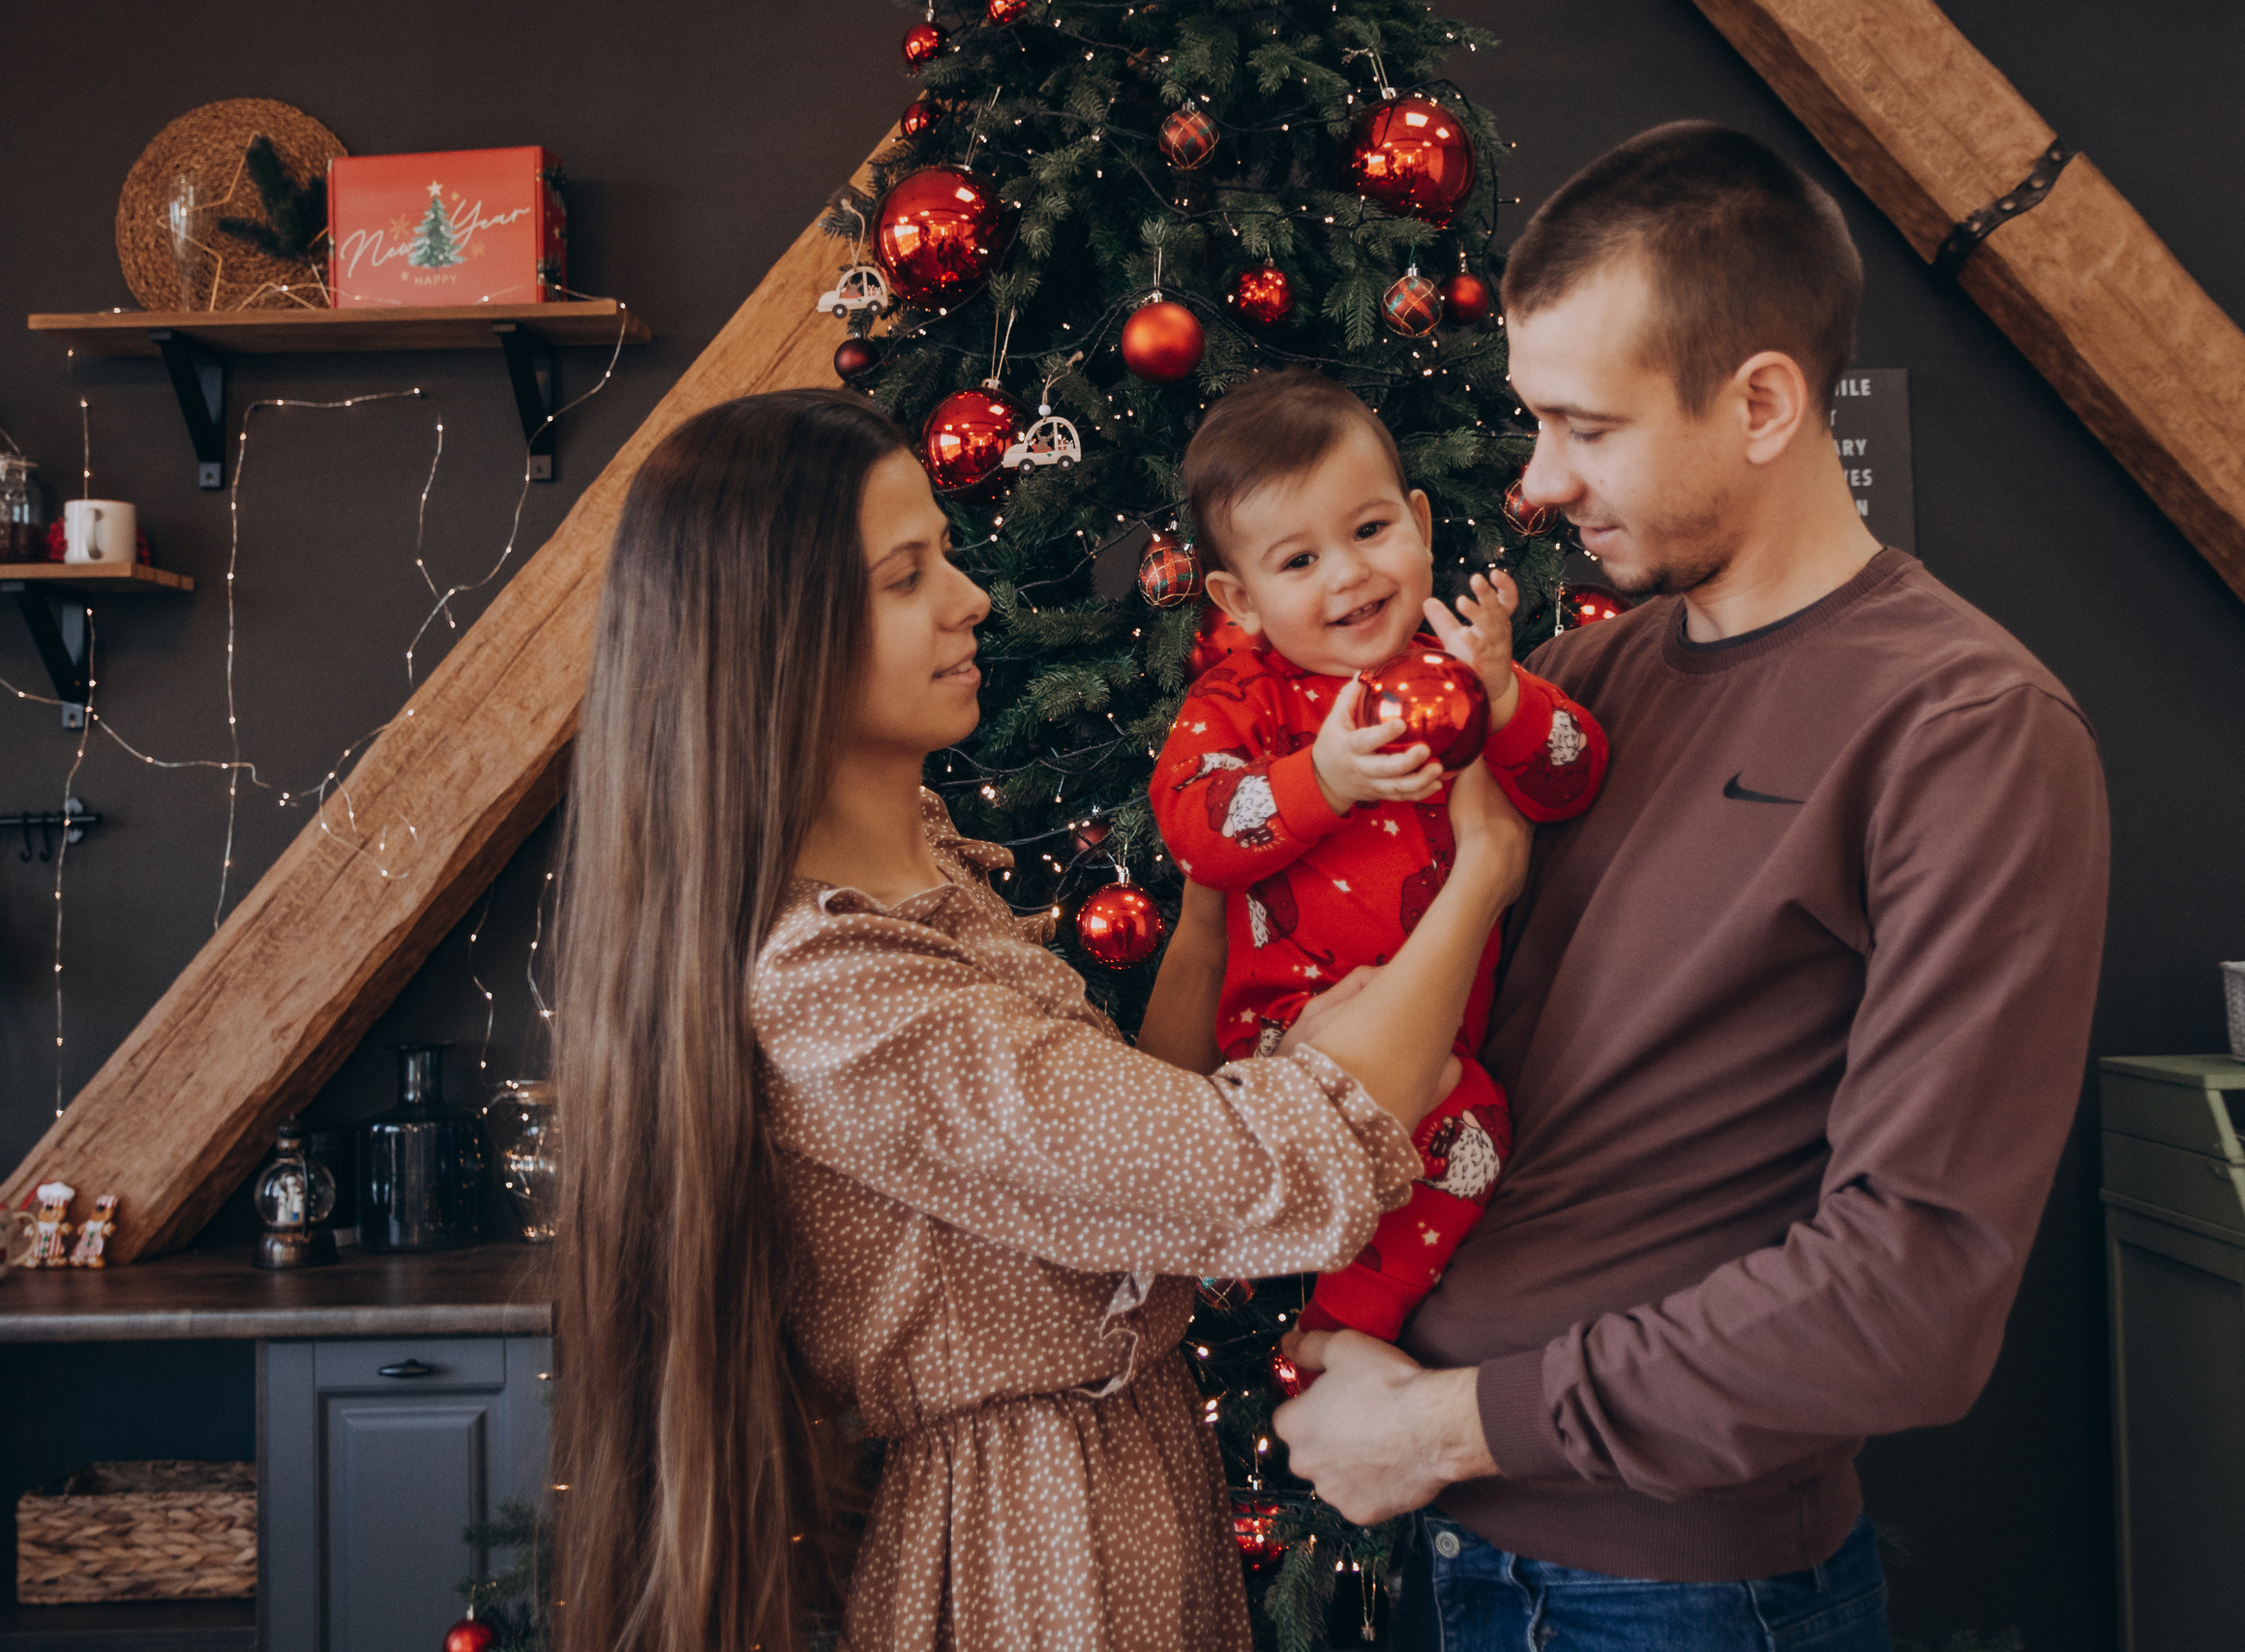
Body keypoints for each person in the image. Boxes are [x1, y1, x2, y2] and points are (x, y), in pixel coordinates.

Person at [1271, 122, 2110, 1651]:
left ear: (1765, 402)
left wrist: (1457, 1421)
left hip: (1684, 1594)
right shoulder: (1581, 685)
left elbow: (1910, 1292)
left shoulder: (1966, 730)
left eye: (1583, 426)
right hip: (1469, 1552)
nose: (1533, 484)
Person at [548, 386, 1535, 1652]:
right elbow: (1254, 1164)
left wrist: (1211, 907)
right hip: (1035, 1537)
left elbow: (1138, 1186)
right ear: (775, 638)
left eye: (945, 556)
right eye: (908, 577)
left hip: (1131, 1477)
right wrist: (1478, 880)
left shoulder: (932, 880)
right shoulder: (834, 985)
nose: (971, 598)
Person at [1151, 368, 1607, 1347]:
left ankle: (1341, 1333)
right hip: (1289, 1039)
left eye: (1368, 532)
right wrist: (1320, 777)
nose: (1349, 576)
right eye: (1298, 560)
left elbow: (1573, 776)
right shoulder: (1244, 702)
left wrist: (1506, 699)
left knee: (1474, 1132)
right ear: (1236, 598)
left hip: (1439, 1048)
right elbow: (1194, 824)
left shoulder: (1458, 670)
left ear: (1420, 521)